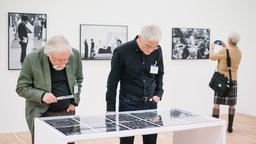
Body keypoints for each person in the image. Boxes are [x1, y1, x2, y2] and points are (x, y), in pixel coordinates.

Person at [16, 35, 83, 144]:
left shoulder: (74, 55)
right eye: (58, 60)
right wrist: (42, 95)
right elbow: (21, 87)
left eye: (65, 60)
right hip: (42, 113)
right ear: (48, 54)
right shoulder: (32, 59)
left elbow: (79, 79)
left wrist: (74, 102)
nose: (62, 63)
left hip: (67, 112)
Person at [106, 24, 164, 144]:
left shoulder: (157, 50)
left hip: (150, 103)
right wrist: (110, 110)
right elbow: (112, 82)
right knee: (127, 140)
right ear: (139, 37)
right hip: (128, 104)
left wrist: (159, 94)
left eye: (154, 46)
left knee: (151, 140)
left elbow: (159, 73)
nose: (150, 50)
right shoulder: (121, 51)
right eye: (148, 46)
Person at [210, 32, 242, 133]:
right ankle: (230, 126)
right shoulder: (239, 51)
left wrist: (212, 47)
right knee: (232, 104)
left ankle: (215, 125)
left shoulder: (224, 50)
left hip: (222, 80)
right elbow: (231, 56)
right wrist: (226, 47)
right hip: (233, 80)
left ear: (230, 40)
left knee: (216, 103)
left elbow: (212, 57)